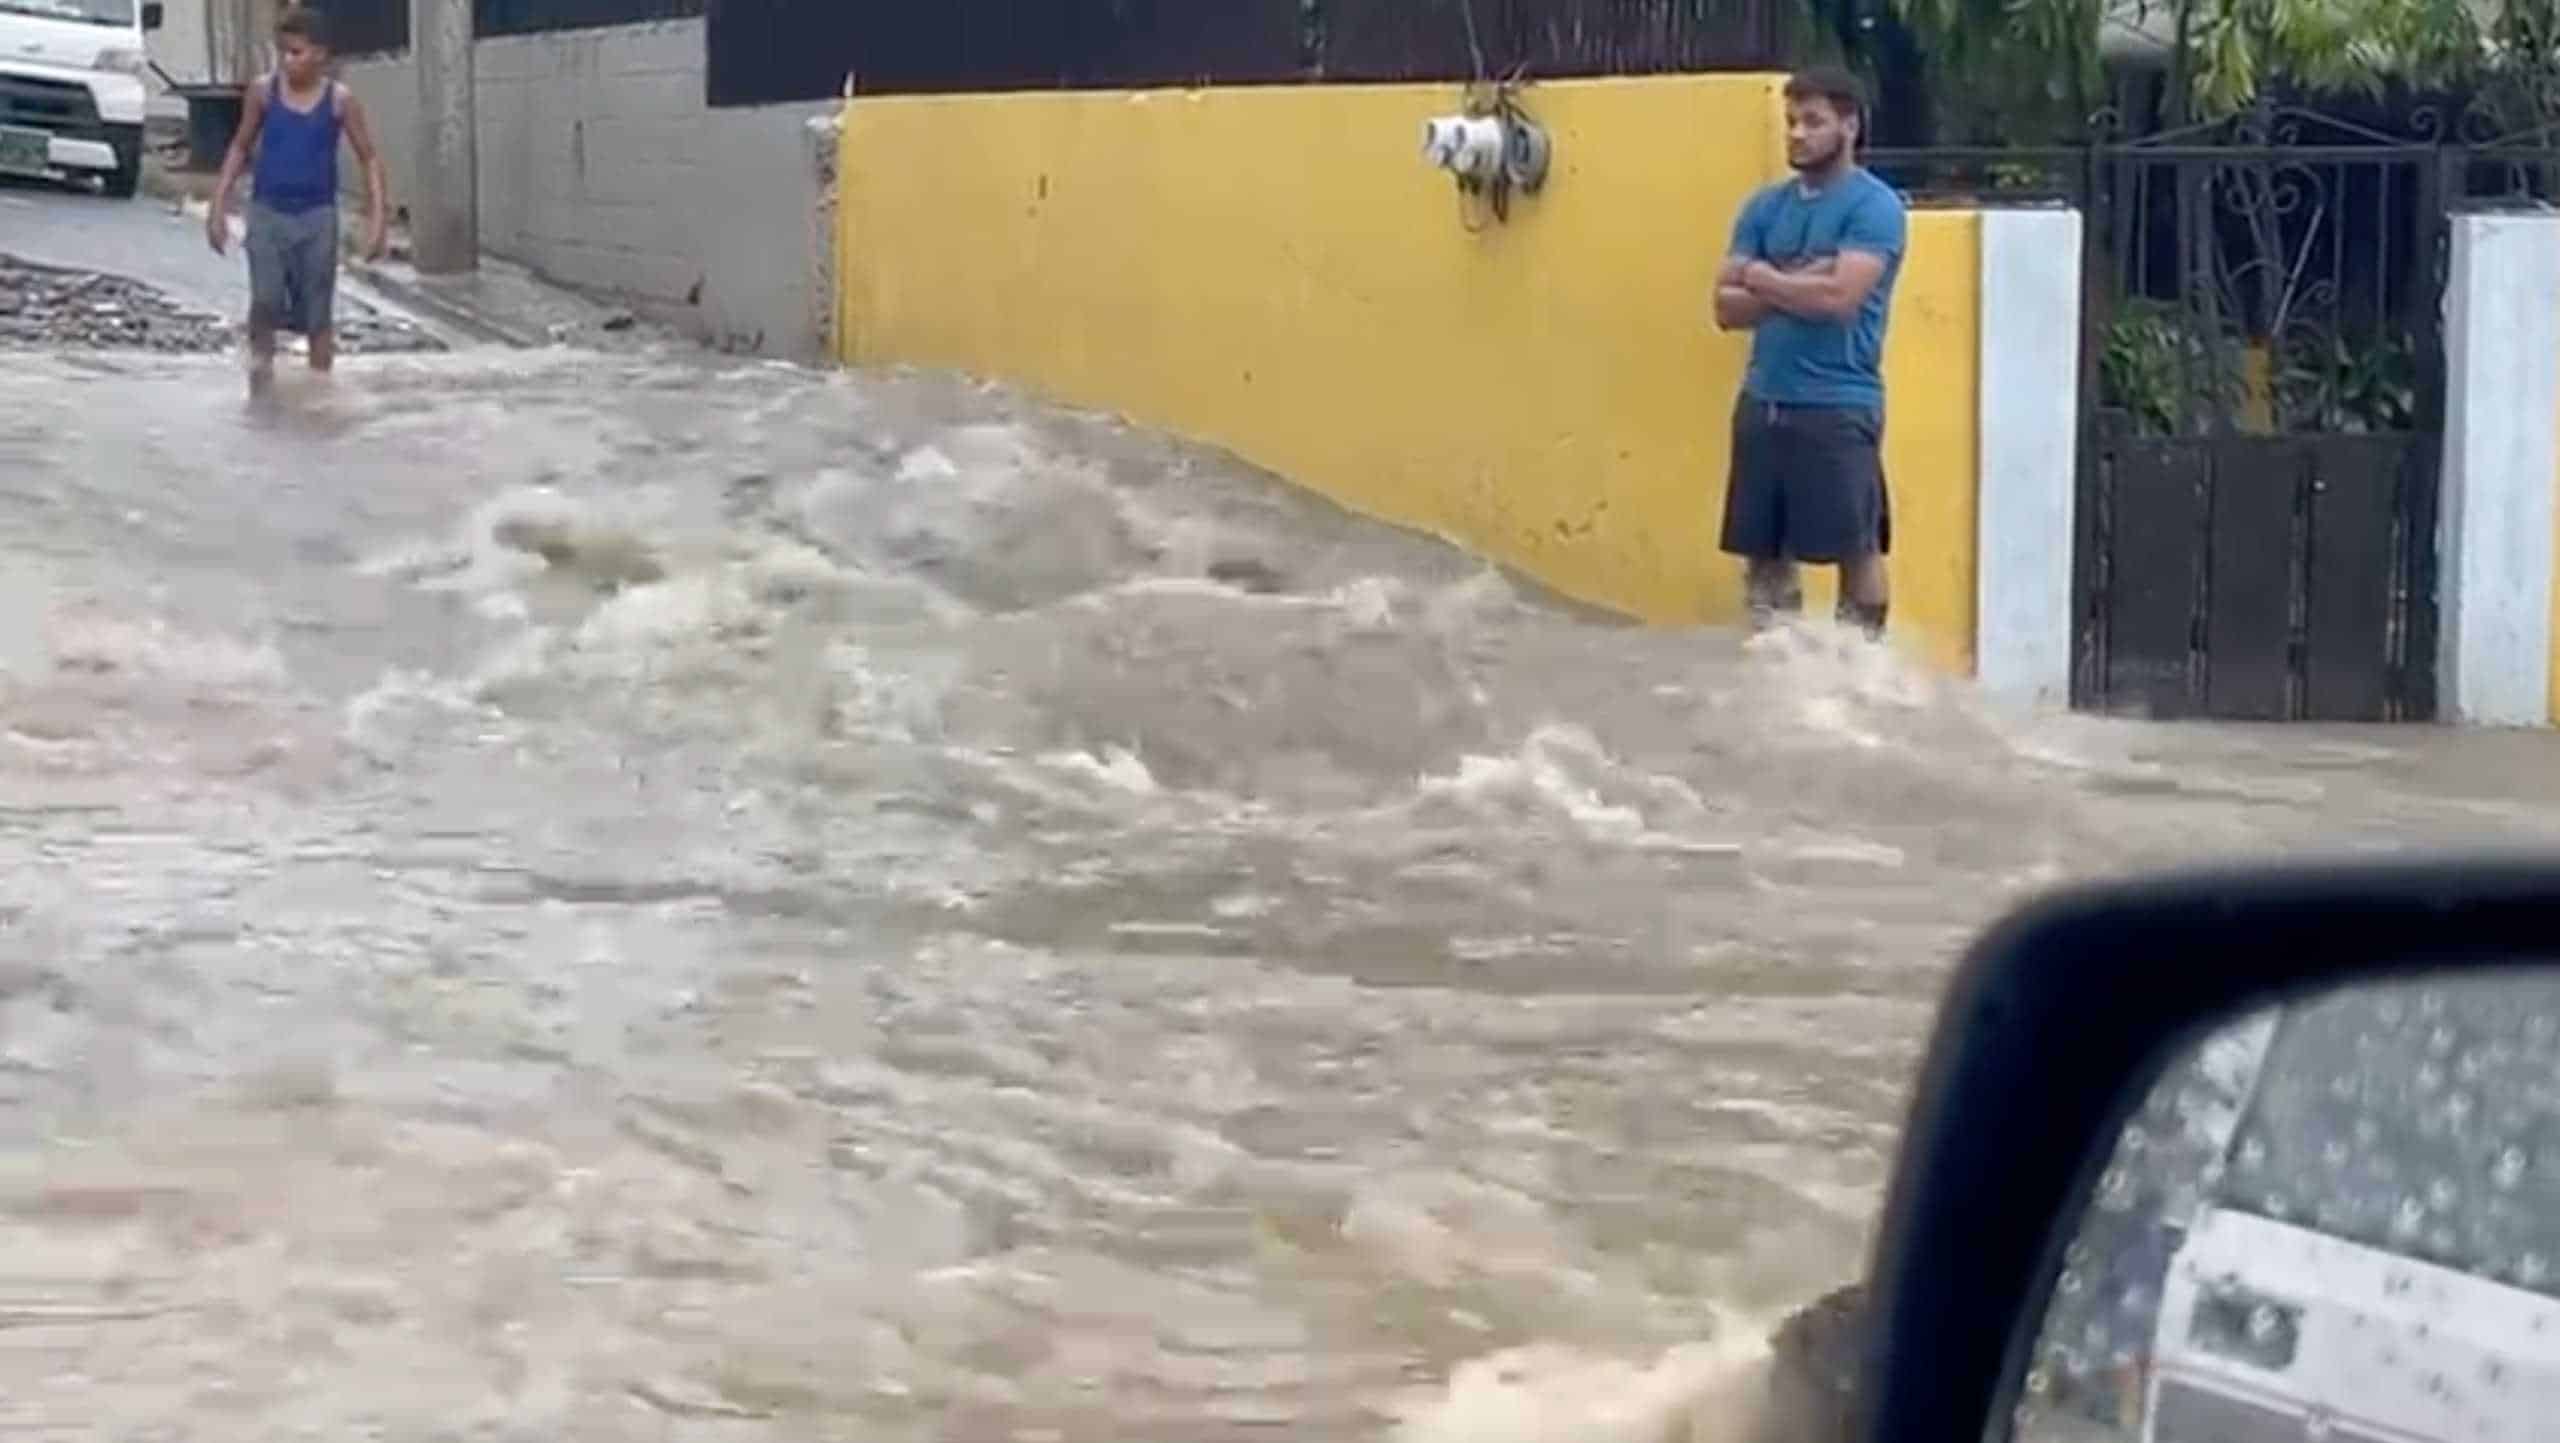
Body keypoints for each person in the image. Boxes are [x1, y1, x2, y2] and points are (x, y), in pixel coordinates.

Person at [1711, 66, 1908, 640]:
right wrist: (1798, 278)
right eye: (1791, 121)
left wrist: (1760, 276)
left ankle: (1862, 666)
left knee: (1857, 548)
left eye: (1813, 122)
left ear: (1850, 125)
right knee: (1764, 554)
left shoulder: (1875, 207)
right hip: (1763, 400)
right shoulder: (1764, 208)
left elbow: (1839, 299)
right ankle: (1779, 665)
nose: (1797, 134)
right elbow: (1724, 308)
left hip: (1838, 405)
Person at [205, 7, 390, 391]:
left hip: (318, 218)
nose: (288, 62)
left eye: (297, 52)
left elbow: (369, 157)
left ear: (320, 54)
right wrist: (218, 206)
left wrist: (378, 222)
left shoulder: (339, 101)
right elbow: (240, 147)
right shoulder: (263, 93)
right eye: (283, 53)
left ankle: (320, 394)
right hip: (268, 213)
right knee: (266, 301)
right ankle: (260, 384)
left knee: (318, 315)